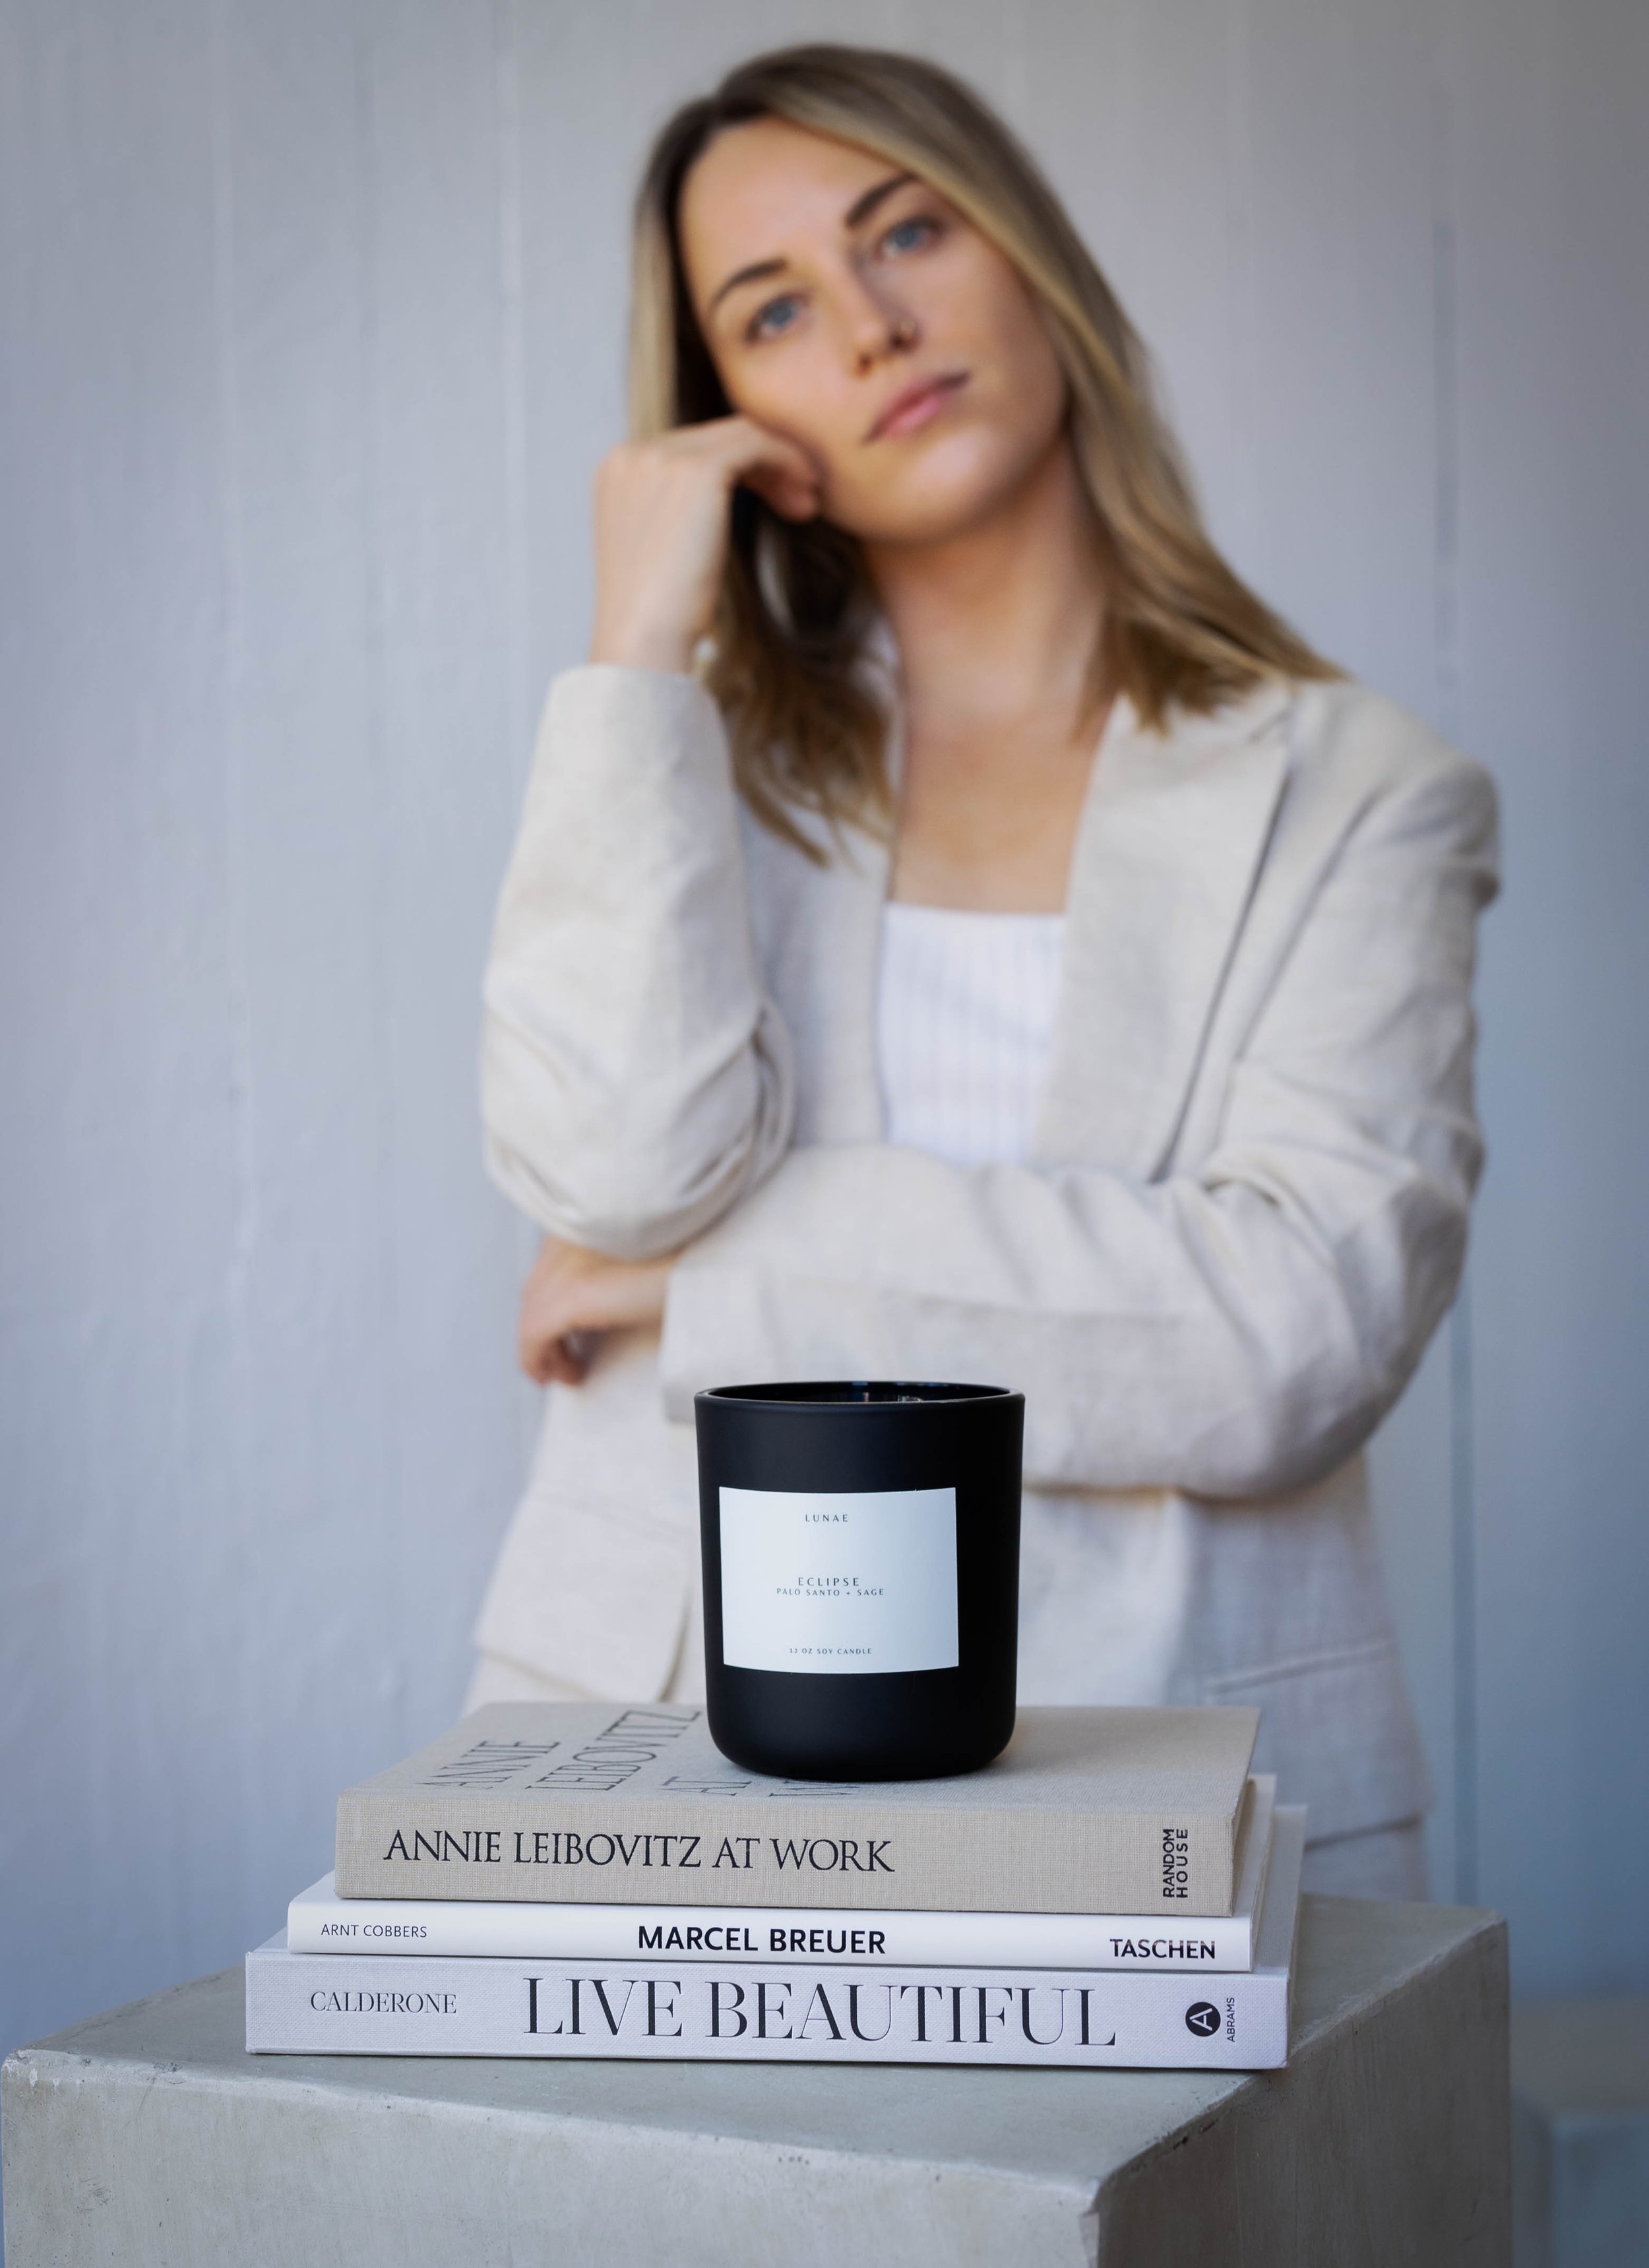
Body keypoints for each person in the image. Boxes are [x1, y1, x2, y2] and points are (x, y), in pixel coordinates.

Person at [466, 44, 1498, 1898]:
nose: (867, 327)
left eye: (906, 232)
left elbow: (1288, 1334)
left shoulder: (1364, 795)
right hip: (661, 1760)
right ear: (735, 414)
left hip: (1172, 1787)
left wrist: (712, 1277)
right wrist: (631, 645)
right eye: (772, 309)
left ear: (1025, 258)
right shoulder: (687, 764)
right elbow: (614, 1179)